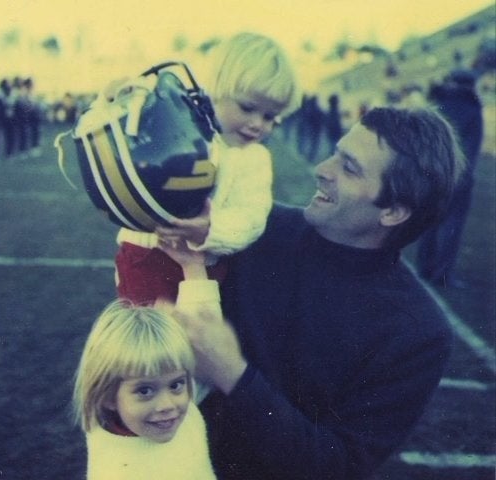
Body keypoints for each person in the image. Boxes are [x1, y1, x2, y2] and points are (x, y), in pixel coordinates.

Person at [166, 107, 464, 480]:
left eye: (349, 167)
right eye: (337, 153)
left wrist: (232, 373)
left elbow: (338, 466)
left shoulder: (417, 331)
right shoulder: (252, 230)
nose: (323, 168)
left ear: (393, 212)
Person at [115, 32, 301, 306]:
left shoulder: (254, 158)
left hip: (203, 270)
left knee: (192, 344)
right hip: (143, 254)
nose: (257, 123)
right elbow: (134, 130)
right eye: (248, 107)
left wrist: (210, 230)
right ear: (216, 88)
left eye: (270, 117)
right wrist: (121, 98)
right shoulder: (182, 127)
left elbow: (251, 218)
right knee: (144, 344)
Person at [73, 256, 219, 480]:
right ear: (108, 396)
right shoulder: (117, 471)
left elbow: (207, 336)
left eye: (176, 385)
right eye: (145, 391)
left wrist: (193, 268)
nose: (167, 405)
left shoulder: (182, 402)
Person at [416, 69, 483, 288]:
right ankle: (443, 275)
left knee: (429, 223)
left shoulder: (437, 104)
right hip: (459, 175)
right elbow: (471, 150)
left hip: (432, 173)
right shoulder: (472, 109)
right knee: (451, 226)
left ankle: (423, 269)